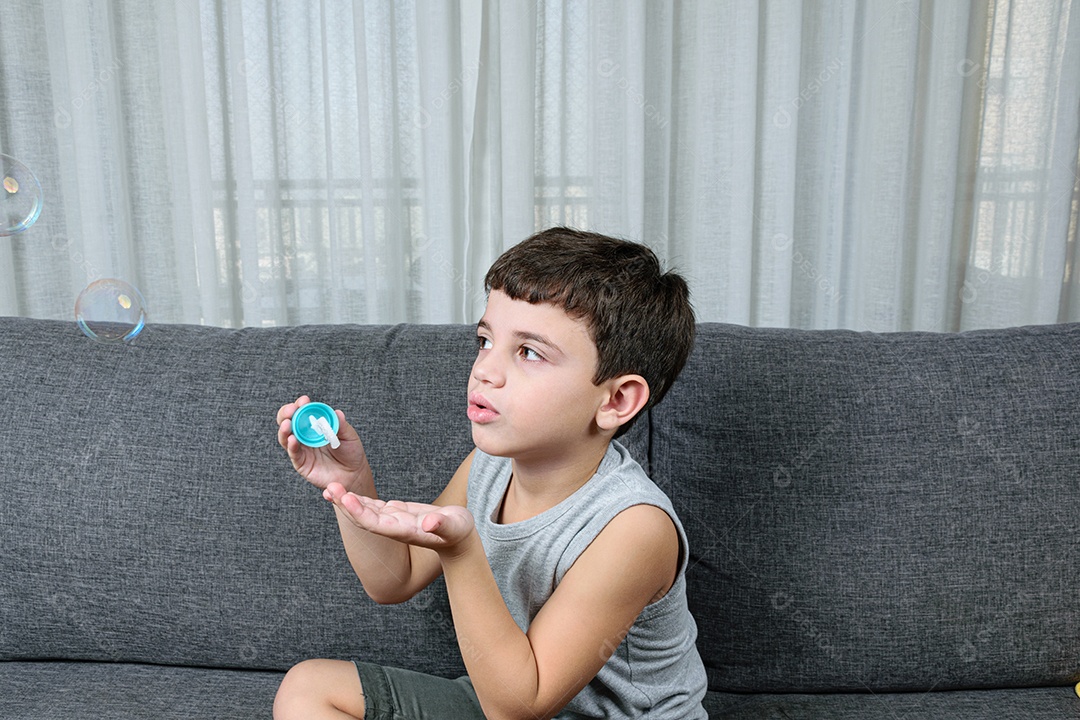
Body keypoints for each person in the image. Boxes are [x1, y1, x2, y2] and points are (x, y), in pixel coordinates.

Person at [273, 227, 708, 719]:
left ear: (615, 400)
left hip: (529, 704)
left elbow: (522, 705)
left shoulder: (634, 528)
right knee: (308, 688)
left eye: (529, 352)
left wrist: (462, 552)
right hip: (502, 695)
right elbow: (395, 579)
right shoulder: (488, 466)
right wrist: (349, 487)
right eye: (485, 340)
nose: (485, 370)